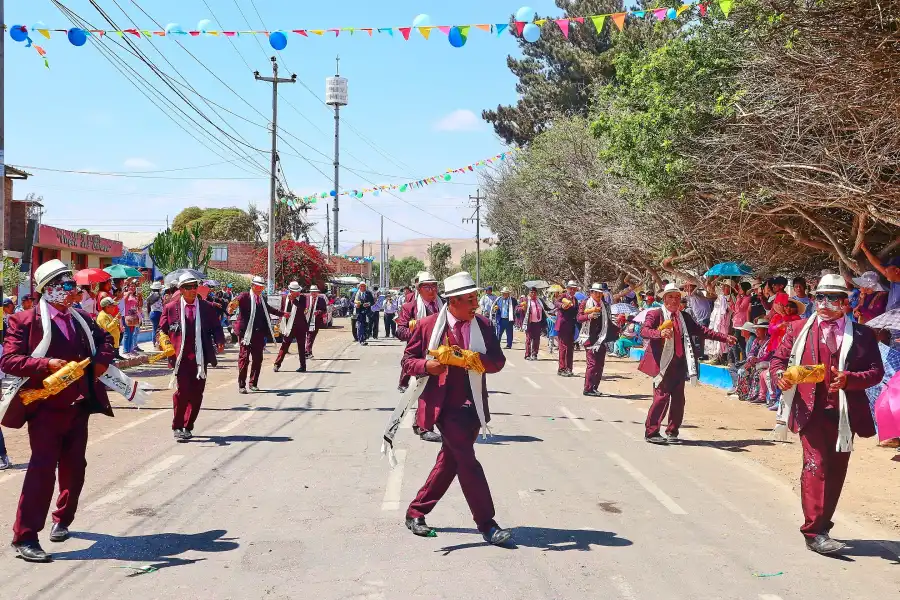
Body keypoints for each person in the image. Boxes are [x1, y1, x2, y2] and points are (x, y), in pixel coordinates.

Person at [0, 259, 115, 563]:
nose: (73, 291)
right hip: (45, 409)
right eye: (66, 285)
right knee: (41, 471)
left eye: (73, 285)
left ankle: (62, 519)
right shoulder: (24, 321)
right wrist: (45, 365)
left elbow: (105, 340)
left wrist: (100, 360)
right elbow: (9, 360)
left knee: (76, 469)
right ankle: (25, 536)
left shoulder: (81, 318)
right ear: (48, 290)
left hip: (78, 408)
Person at [771, 274, 884, 555]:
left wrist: (849, 379)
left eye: (831, 297)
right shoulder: (798, 329)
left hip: (845, 414)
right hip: (809, 410)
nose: (823, 303)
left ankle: (823, 527)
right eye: (819, 297)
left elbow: (875, 372)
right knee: (816, 465)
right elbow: (777, 360)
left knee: (836, 470)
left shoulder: (862, 334)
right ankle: (813, 531)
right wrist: (780, 377)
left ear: (845, 303)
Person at [401, 272, 511, 546]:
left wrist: (473, 360)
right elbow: (407, 361)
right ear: (453, 302)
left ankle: (416, 511)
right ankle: (487, 523)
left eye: (476, 298)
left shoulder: (483, 325)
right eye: (471, 299)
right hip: (442, 408)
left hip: (472, 405)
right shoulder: (428, 326)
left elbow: (497, 362)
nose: (477, 304)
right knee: (466, 459)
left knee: (450, 460)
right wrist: (428, 366)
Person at [639, 283, 736, 444]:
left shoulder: (684, 317)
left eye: (677, 297)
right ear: (664, 299)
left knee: (678, 400)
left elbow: (702, 330)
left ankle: (672, 431)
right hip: (663, 363)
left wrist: (724, 337)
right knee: (661, 398)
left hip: (680, 363)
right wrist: (659, 333)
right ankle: (652, 431)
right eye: (671, 296)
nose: (675, 300)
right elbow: (644, 331)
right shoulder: (656, 314)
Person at [159, 273, 225, 441]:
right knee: (182, 392)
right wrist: (164, 344)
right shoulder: (170, 308)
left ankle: (188, 425)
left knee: (197, 394)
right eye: (188, 287)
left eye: (195, 286)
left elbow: (216, 327)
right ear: (181, 290)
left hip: (200, 357)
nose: (193, 290)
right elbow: (162, 330)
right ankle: (178, 426)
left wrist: (219, 340)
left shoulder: (207, 307)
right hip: (180, 357)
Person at [234, 276, 284, 394]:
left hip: (259, 333)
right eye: (258, 286)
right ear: (252, 286)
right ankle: (242, 385)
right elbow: (234, 304)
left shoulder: (262, 298)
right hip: (246, 333)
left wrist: (282, 314)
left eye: (262, 286)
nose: (260, 288)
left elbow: (269, 309)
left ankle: (253, 383)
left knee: (258, 359)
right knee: (244, 359)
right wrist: (231, 308)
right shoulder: (244, 296)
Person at [578, 283, 618, 397]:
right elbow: (579, 318)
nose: (598, 295)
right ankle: (588, 388)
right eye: (596, 292)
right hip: (589, 338)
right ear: (591, 293)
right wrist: (589, 316)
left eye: (600, 293)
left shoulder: (604, 305)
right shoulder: (585, 303)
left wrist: (617, 327)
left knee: (600, 364)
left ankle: (595, 387)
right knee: (592, 363)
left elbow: (609, 321)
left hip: (601, 337)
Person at [274, 282, 309, 373]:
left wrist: (294, 300)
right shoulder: (285, 298)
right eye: (295, 291)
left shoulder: (303, 298)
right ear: (291, 291)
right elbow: (282, 309)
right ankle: (277, 364)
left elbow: (302, 309)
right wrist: (281, 318)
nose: (298, 293)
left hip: (300, 326)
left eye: (298, 291)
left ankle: (303, 366)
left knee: (301, 347)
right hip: (288, 326)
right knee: (284, 345)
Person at [859, 243, 900, 311]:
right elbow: (876, 264)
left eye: (887, 267)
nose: (885, 269)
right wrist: (864, 249)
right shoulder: (894, 280)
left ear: (896, 270)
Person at [704, 278, 734, 365]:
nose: (723, 288)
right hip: (715, 320)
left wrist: (728, 303)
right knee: (713, 338)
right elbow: (710, 295)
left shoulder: (731, 298)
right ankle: (714, 357)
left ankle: (720, 358)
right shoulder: (720, 296)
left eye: (726, 286)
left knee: (721, 341)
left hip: (724, 322)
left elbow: (731, 310)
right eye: (723, 286)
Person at [554, 281, 580, 377]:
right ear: (568, 288)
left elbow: (577, 312)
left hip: (571, 326)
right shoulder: (563, 296)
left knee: (570, 348)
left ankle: (569, 368)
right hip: (563, 325)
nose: (572, 290)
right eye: (571, 288)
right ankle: (562, 368)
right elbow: (556, 302)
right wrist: (562, 305)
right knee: (563, 347)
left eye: (574, 289)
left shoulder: (575, 300)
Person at [521, 287, 549, 360]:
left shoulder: (540, 301)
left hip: (538, 323)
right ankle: (527, 355)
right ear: (529, 293)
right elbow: (517, 309)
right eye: (531, 292)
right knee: (528, 339)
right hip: (529, 323)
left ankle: (534, 354)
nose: (533, 294)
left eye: (534, 292)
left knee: (537, 339)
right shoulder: (526, 300)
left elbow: (546, 308)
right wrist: (522, 308)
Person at [303, 285, 328, 358]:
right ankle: (307, 351)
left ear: (317, 292)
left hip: (316, 321)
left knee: (311, 336)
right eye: (312, 292)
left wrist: (318, 312)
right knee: (308, 336)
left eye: (315, 292)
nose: (313, 293)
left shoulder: (321, 300)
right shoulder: (306, 299)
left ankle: (308, 351)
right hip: (306, 320)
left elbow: (324, 310)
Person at [146, 281, 164, 348]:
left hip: (152, 313)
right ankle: (156, 342)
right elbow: (161, 306)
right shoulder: (158, 295)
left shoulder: (151, 295)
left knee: (154, 328)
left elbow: (148, 304)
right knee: (157, 329)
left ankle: (154, 342)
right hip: (157, 313)